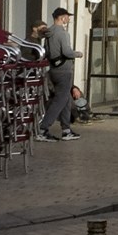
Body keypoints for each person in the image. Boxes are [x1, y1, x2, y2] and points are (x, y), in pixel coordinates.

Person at [40, 7, 81, 140]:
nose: (68, 19)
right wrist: (78, 54)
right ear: (62, 18)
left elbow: (46, 51)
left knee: (66, 99)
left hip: (53, 70)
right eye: (67, 16)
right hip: (64, 70)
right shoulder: (63, 34)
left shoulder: (49, 33)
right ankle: (43, 129)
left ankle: (66, 129)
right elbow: (67, 52)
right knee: (60, 100)